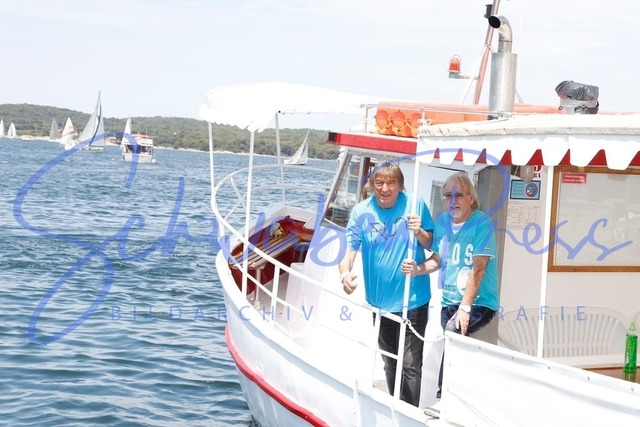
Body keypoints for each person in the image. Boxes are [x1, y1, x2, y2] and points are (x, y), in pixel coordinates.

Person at [338, 161, 435, 407]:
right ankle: (396, 407)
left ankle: (408, 416)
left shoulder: (415, 203)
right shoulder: (361, 211)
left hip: (413, 300)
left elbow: (430, 243)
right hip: (380, 304)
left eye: (391, 183)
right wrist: (345, 274)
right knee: (390, 362)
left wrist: (419, 231)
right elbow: (349, 250)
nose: (385, 188)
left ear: (400, 186)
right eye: (379, 183)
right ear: (372, 186)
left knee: (410, 364)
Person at [402, 171, 499, 400]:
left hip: (479, 303)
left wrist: (465, 308)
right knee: (453, 342)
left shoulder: (482, 223)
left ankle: (442, 398)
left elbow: (479, 268)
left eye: (459, 195)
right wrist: (418, 269)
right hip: (449, 301)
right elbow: (438, 259)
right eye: (448, 196)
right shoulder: (443, 221)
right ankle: (458, 397)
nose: (452, 201)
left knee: (453, 332)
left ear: (471, 198)